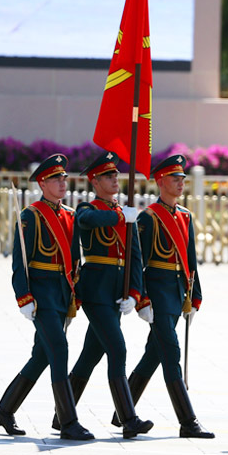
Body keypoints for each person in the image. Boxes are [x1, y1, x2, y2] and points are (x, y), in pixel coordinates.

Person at [0, 155, 94, 440]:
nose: (62, 183)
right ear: (42, 184)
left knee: (42, 355)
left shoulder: (70, 215)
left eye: (64, 178)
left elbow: (75, 259)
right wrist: (23, 296)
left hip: (62, 292)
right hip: (41, 293)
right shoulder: (31, 216)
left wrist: (75, 292)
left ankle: (5, 411)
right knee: (59, 349)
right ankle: (68, 421)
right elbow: (20, 261)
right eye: (55, 179)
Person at [111, 155, 214, 438]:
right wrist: (142, 299)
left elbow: (190, 260)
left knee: (153, 354)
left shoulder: (185, 216)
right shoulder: (149, 217)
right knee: (171, 353)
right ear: (160, 181)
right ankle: (188, 422)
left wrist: (195, 296)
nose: (180, 183)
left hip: (177, 292)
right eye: (174, 178)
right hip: (157, 294)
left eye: (182, 179)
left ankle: (122, 413)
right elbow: (137, 261)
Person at [60, 151, 153, 439]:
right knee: (118, 349)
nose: (115, 179)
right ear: (95, 181)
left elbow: (135, 257)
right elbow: (86, 220)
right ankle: (129, 419)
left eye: (116, 175)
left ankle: (61, 416)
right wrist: (120, 216)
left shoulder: (125, 214)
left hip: (117, 293)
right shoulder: (90, 209)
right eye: (108, 176)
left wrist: (135, 293)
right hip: (96, 291)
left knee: (90, 355)